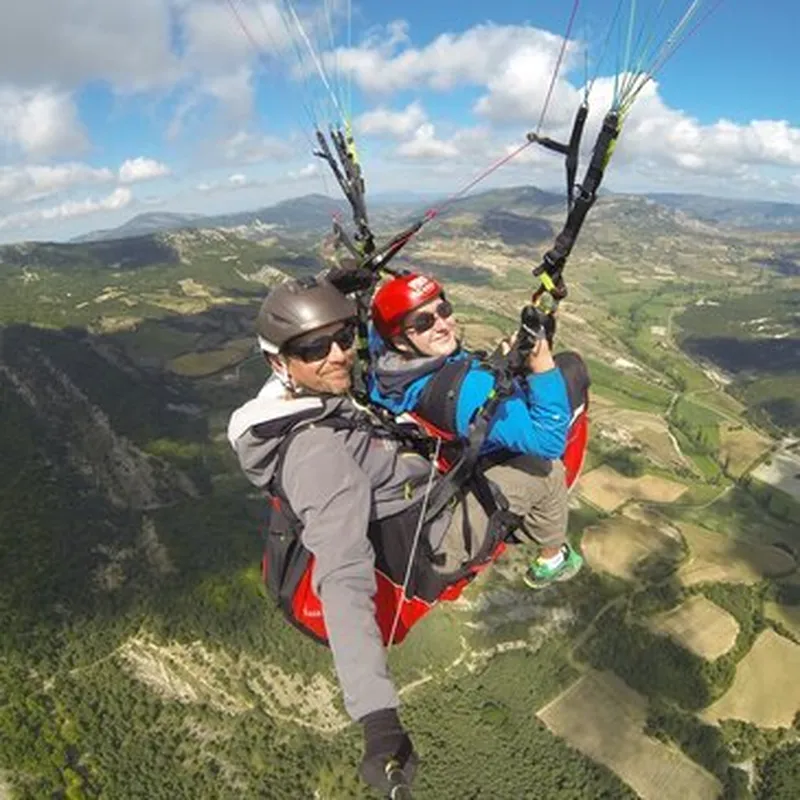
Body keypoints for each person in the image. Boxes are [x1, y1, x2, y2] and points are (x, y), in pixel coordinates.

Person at [227, 276, 514, 794]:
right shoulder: (317, 455)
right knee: (537, 470)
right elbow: (341, 576)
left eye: (343, 338)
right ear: (279, 363)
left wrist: (336, 288)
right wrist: (379, 720)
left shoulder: (291, 396)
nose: (338, 355)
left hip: (409, 481)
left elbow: (322, 345)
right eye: (315, 349)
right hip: (423, 544)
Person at [369, 271, 585, 589]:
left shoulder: (386, 362)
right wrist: (542, 368)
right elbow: (549, 440)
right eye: (424, 323)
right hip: (463, 475)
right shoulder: (467, 393)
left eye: (443, 310)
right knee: (548, 466)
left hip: (443, 442)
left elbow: (380, 325)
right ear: (401, 340)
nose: (443, 324)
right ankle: (551, 559)